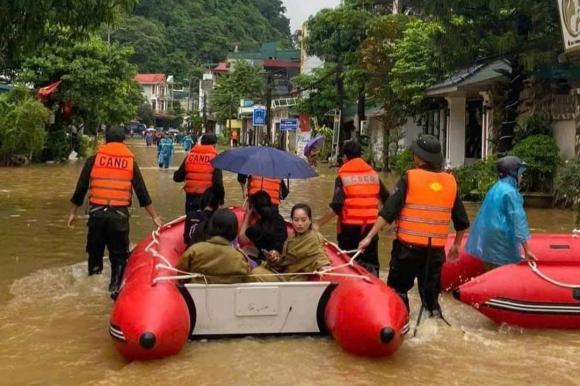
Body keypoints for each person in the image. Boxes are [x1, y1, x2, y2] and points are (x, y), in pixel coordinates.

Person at [358, 134, 469, 317]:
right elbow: (461, 221)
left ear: (419, 157)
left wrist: (369, 237)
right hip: (435, 252)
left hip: (407, 250)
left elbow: (388, 212)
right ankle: (433, 324)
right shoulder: (450, 182)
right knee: (431, 299)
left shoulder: (409, 178)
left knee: (398, 291)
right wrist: (456, 245)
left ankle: (399, 324)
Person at [67, 126, 162, 299]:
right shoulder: (129, 162)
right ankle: (115, 289)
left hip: (97, 216)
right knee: (119, 258)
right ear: (123, 141)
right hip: (118, 218)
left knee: (95, 255)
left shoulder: (93, 160)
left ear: (105, 140)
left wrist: (72, 213)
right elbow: (142, 193)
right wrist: (154, 216)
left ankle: (92, 287)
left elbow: (80, 189)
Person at [315, 140, 390, 276]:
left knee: (348, 266)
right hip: (371, 230)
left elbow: (337, 206)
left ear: (344, 157)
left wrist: (318, 223)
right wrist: (384, 223)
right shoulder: (373, 175)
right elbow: (388, 200)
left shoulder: (343, 176)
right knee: (371, 267)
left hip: (349, 231)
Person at [466, 156, 535, 269]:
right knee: (504, 278)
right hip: (501, 243)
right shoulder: (511, 192)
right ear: (513, 173)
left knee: (489, 273)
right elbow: (518, 221)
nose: (521, 176)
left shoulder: (495, 188)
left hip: (488, 241)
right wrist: (527, 250)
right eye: (520, 172)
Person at [252, 204, 330, 282]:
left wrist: (323, 267)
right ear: (292, 220)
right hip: (282, 272)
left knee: (255, 273)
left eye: (303, 220)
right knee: (254, 268)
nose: (300, 224)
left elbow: (320, 254)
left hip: (292, 279)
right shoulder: (293, 236)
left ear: (309, 220)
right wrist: (274, 256)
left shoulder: (314, 238)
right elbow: (284, 260)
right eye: (296, 220)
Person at [176, 208, 250, 284]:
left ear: (211, 226)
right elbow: (246, 278)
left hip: (196, 293)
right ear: (234, 230)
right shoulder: (239, 258)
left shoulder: (194, 251)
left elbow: (181, 275)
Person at [173, 132, 224, 214]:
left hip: (191, 199)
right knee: (207, 224)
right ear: (214, 145)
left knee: (192, 222)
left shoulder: (190, 156)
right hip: (209, 201)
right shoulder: (215, 158)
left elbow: (177, 178)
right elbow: (218, 184)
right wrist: (221, 201)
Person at [239, 191, 288, 265]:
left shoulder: (257, 229)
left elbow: (242, 238)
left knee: (243, 250)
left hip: (267, 260)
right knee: (248, 248)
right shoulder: (279, 218)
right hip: (281, 255)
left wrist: (247, 215)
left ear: (254, 208)